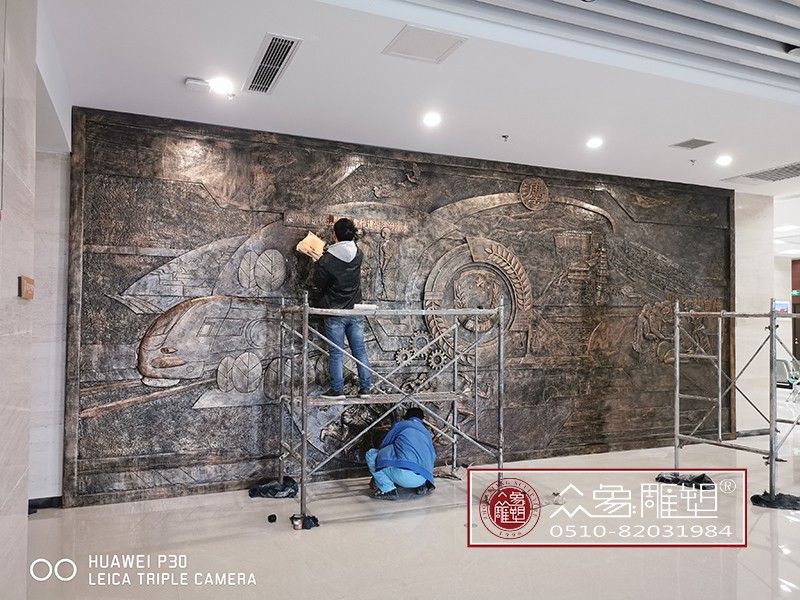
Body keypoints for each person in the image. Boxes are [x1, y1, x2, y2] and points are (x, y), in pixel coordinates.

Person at [312, 217, 373, 400]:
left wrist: (317, 263)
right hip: (355, 310)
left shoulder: (327, 260)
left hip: (335, 312)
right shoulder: (359, 254)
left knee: (336, 353)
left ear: (334, 235)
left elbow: (317, 283)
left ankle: (337, 390)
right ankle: (366, 388)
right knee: (360, 351)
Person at [365, 407, 436, 500]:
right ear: (422, 420)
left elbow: (385, 445)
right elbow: (433, 456)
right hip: (423, 478)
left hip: (402, 476)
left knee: (371, 454)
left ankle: (387, 489)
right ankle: (422, 486)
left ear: (405, 417)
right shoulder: (426, 433)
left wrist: (378, 471)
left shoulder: (400, 425)